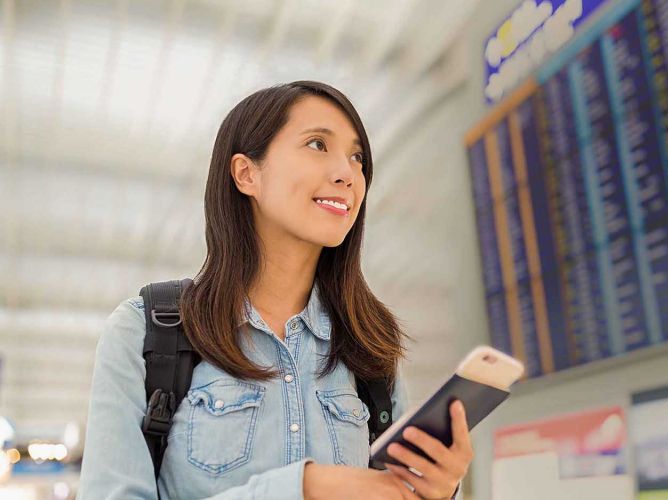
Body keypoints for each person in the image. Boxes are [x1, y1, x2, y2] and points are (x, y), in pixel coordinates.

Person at [78, 81, 472, 499]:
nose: (348, 174)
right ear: (247, 173)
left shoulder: (369, 347)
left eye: (357, 157)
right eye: (318, 144)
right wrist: (300, 489)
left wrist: (436, 491)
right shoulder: (147, 332)